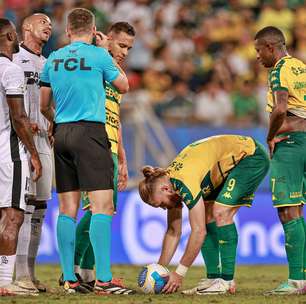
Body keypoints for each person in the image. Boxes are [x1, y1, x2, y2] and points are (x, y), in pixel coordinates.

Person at [40, 8, 133, 294]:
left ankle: (70, 278)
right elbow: (124, 86)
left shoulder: (53, 59)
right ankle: (103, 280)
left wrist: (58, 122)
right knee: (103, 206)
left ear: (67, 31)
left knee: (67, 210)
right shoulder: (98, 55)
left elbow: (44, 104)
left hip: (62, 134)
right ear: (94, 31)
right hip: (91, 133)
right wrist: (104, 50)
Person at [139, 135, 269, 295]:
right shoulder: (171, 183)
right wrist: (160, 271)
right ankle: (213, 279)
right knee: (207, 217)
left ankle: (226, 282)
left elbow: (199, 232)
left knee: (221, 213)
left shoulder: (183, 180)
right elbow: (173, 232)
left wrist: (179, 274)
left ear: (165, 189)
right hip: (221, 166)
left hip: (250, 156)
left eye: (161, 204)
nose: (164, 209)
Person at [73, 22, 135, 291]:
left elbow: (116, 117)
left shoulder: (115, 70)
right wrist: (97, 49)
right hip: (92, 144)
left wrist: (122, 158)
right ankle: (75, 271)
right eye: (121, 45)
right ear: (107, 39)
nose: (125, 52)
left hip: (110, 147)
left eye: (129, 48)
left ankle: (86, 274)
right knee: (94, 211)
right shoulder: (94, 62)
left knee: (103, 211)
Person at [254, 26, 306, 295]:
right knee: (297, 208)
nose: (258, 57)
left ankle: (297, 280)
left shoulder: (279, 70)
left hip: (292, 144)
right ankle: (303, 275)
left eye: (259, 50)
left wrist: (271, 135)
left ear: (270, 47)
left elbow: (281, 108)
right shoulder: (301, 66)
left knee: (288, 209)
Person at [0, 18, 42, 296]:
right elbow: (19, 116)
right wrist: (34, 154)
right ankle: (4, 282)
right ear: (11, 35)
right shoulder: (11, 70)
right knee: (13, 217)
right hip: (9, 155)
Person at [13, 13, 52, 293]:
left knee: (39, 210)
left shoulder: (49, 64)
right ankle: (19, 274)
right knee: (23, 210)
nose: (48, 26)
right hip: (22, 141)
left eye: (50, 24)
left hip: (45, 143)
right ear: (26, 27)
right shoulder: (15, 60)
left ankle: (32, 273)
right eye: (42, 22)